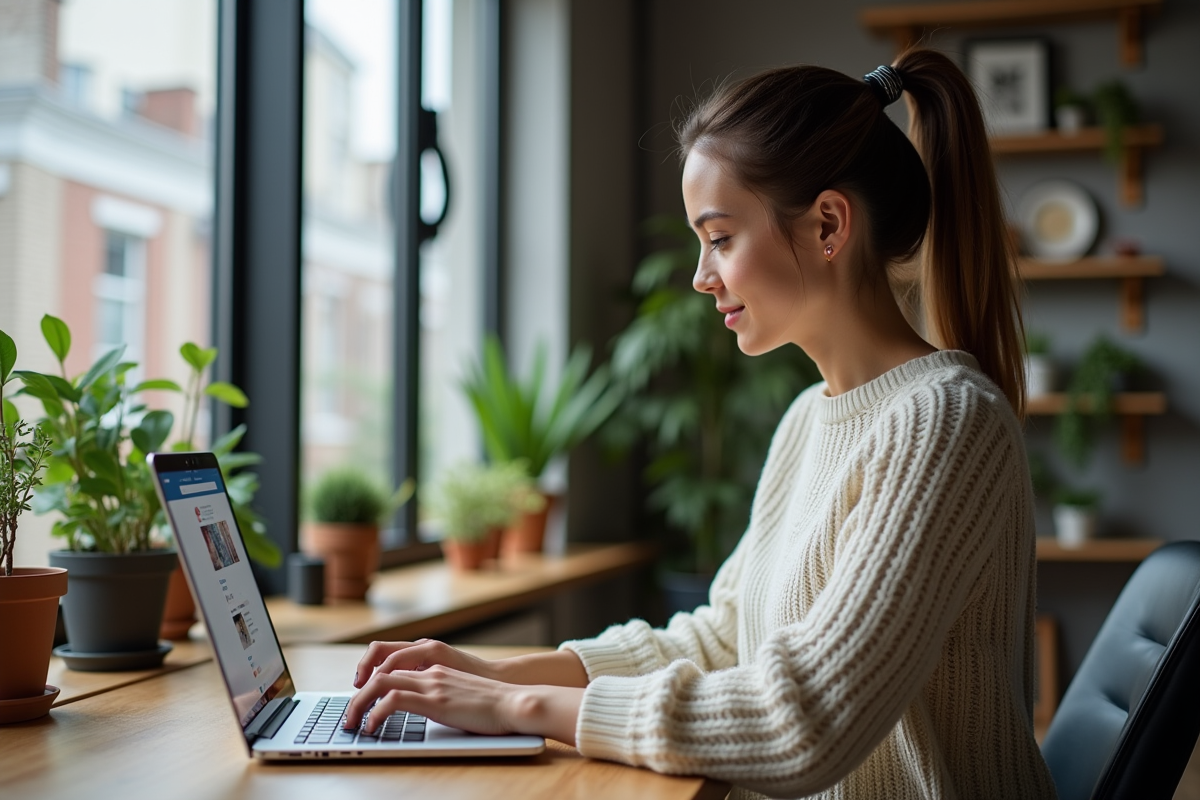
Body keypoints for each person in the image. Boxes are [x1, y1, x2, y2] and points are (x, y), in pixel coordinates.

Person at [343, 48, 1058, 799]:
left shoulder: (946, 420)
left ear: (828, 224)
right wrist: (498, 673)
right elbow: (724, 636)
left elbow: (804, 721)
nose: (699, 276)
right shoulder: (808, 421)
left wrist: (517, 709)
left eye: (719, 238)